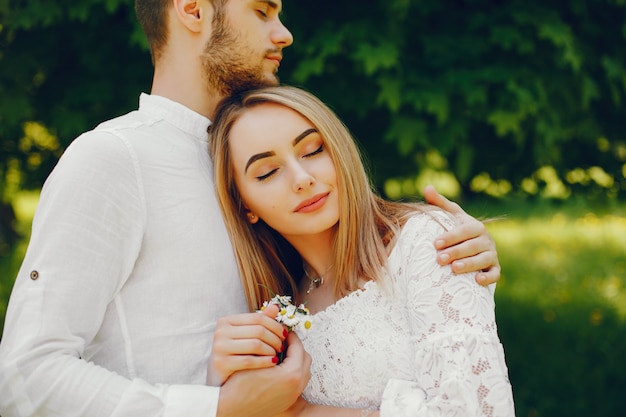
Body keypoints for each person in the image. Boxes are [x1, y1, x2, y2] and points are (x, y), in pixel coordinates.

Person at [0, 1, 501, 416]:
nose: (283, 34)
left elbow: (352, 280)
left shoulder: (258, 146)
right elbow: (26, 375)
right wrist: (214, 409)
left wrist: (448, 256)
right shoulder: (114, 158)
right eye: (263, 11)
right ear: (194, 9)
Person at [206, 85, 515, 416]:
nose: (302, 178)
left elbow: (478, 410)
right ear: (244, 205)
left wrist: (302, 413)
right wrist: (218, 383)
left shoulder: (427, 244)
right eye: (267, 172)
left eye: (312, 151)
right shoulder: (278, 317)